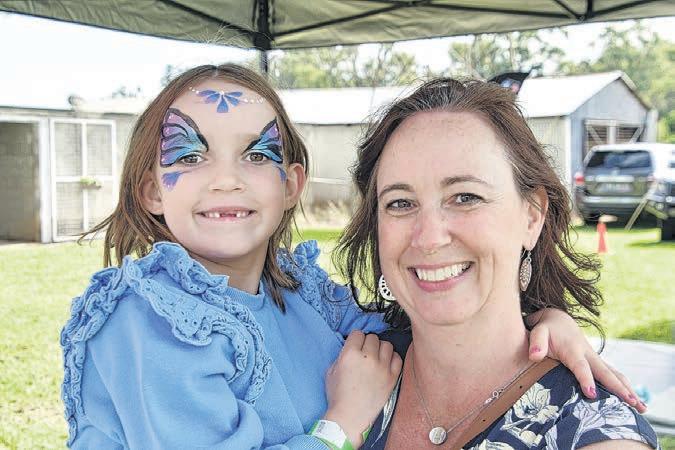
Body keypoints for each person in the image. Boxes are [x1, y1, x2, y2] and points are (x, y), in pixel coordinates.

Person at [61, 64, 643, 450]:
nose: (225, 180)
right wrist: (339, 426)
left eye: (256, 155)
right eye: (190, 155)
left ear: (292, 184)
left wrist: (542, 319)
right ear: (151, 190)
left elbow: (420, 325)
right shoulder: (151, 321)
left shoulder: (305, 299)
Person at [334, 78, 659, 449]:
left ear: (532, 216)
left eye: (465, 197)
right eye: (400, 203)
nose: (429, 238)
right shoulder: (342, 367)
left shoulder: (589, 430)